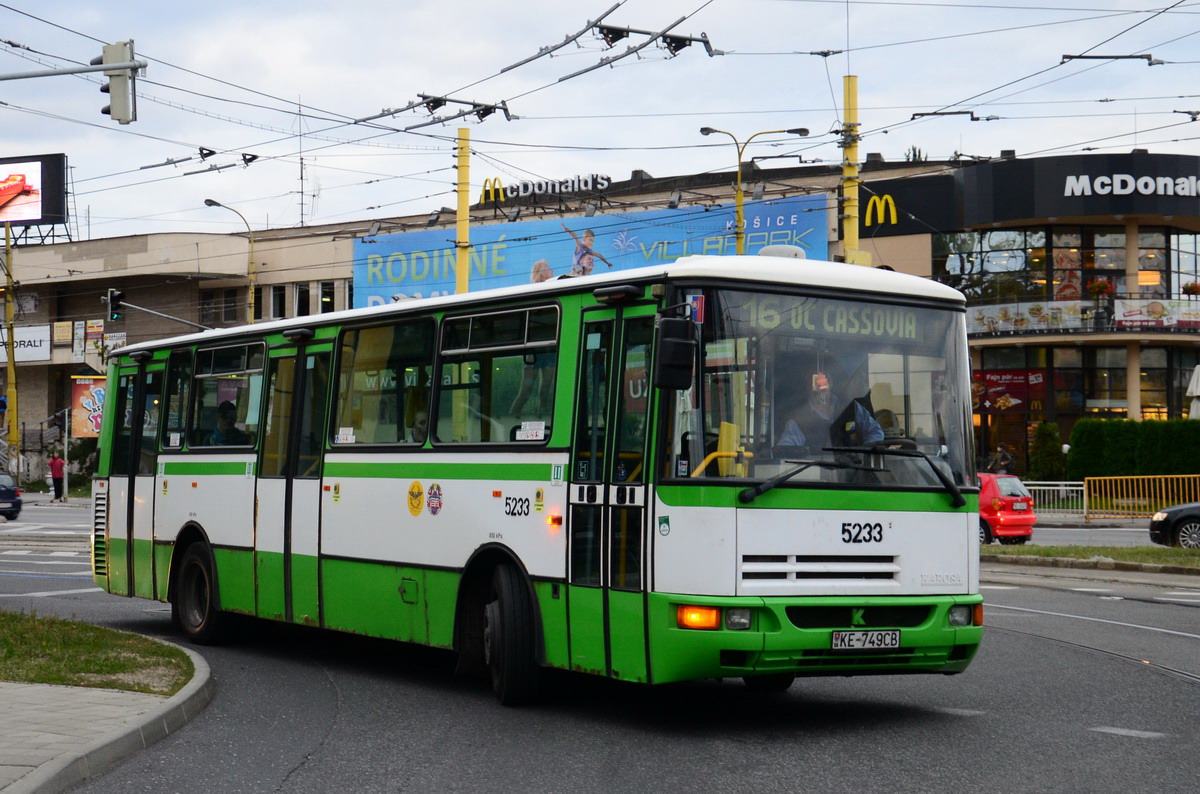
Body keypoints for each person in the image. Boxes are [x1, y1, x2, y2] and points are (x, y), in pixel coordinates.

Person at [777, 371, 884, 450]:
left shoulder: (851, 408)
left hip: (854, 474)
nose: (819, 387)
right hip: (817, 475)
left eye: (822, 381)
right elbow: (785, 451)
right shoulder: (798, 421)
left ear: (830, 383)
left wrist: (866, 452)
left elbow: (875, 432)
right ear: (807, 387)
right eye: (814, 383)